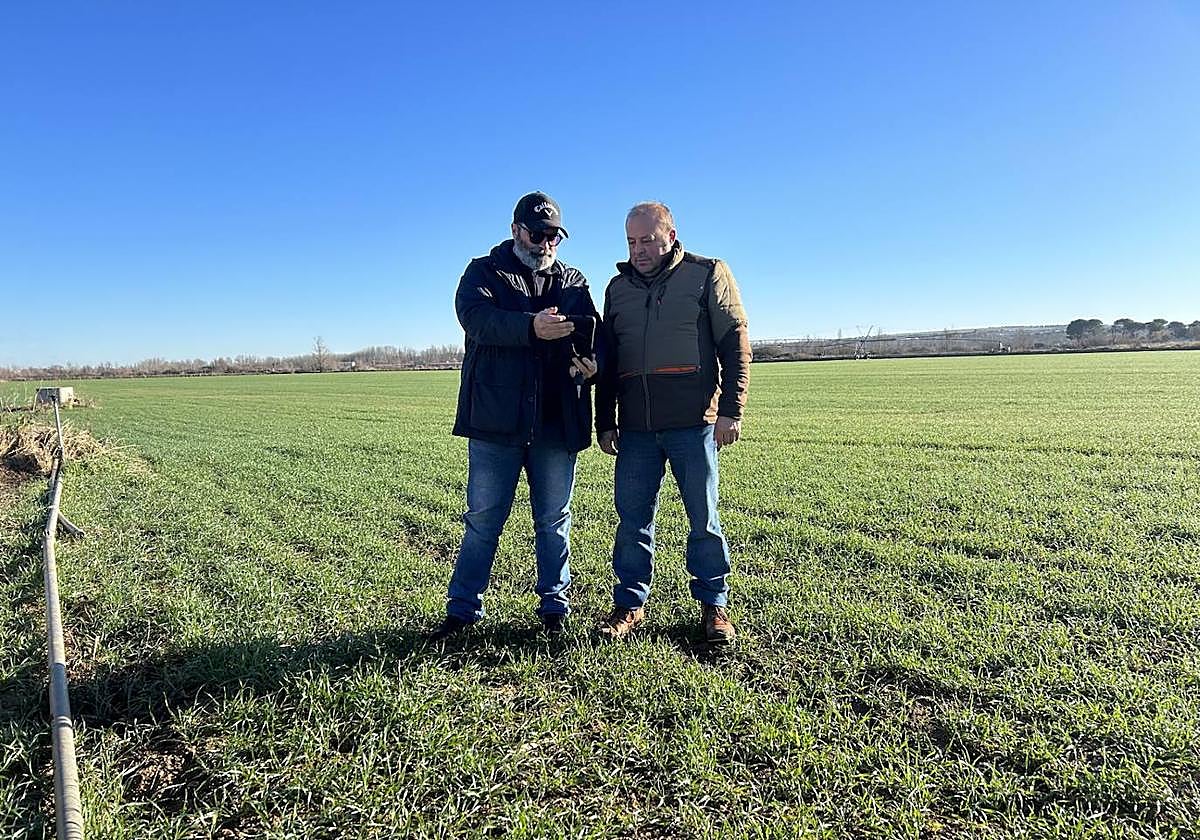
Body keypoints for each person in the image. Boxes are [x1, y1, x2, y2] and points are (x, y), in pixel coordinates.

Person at [430, 192, 600, 641]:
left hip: (555, 421)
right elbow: (477, 319)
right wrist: (531, 327)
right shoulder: (482, 273)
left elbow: (593, 330)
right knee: (483, 519)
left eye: (553, 236)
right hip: (495, 422)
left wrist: (592, 359)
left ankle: (555, 610)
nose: (545, 243)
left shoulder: (574, 280)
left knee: (554, 521)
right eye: (537, 233)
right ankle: (462, 613)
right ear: (515, 230)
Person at [595, 202, 750, 643]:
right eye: (631, 242)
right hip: (637, 429)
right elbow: (609, 359)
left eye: (646, 240)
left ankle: (715, 605)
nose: (638, 250)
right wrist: (605, 420)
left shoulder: (707, 273)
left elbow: (735, 344)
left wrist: (731, 410)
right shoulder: (617, 288)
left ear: (670, 234)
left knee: (703, 519)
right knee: (631, 521)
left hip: (692, 424)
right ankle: (629, 605)